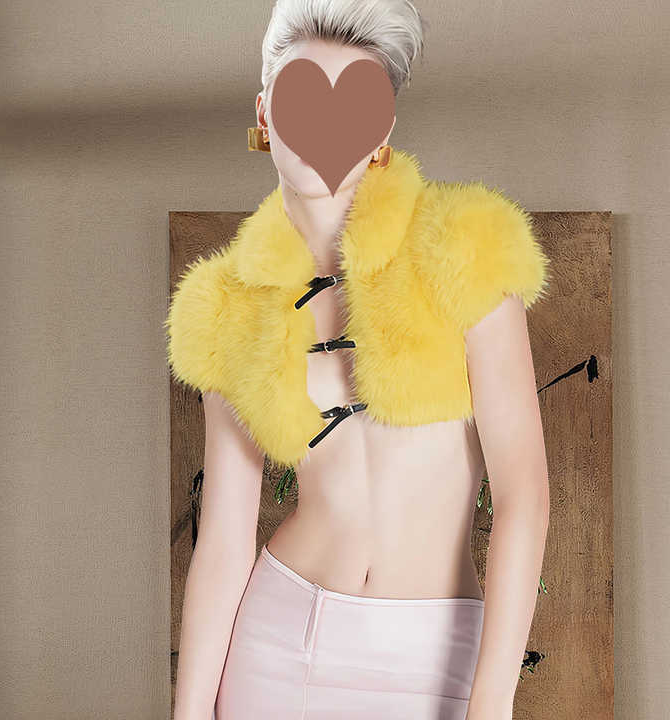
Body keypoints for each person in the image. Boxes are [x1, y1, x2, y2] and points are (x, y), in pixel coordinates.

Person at [168, 2, 551, 719]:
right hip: (281, 648)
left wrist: (492, 703)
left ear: (384, 129)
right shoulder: (225, 305)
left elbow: (525, 494)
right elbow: (223, 540)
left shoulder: (466, 248)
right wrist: (188, 714)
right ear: (264, 113)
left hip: (439, 657)